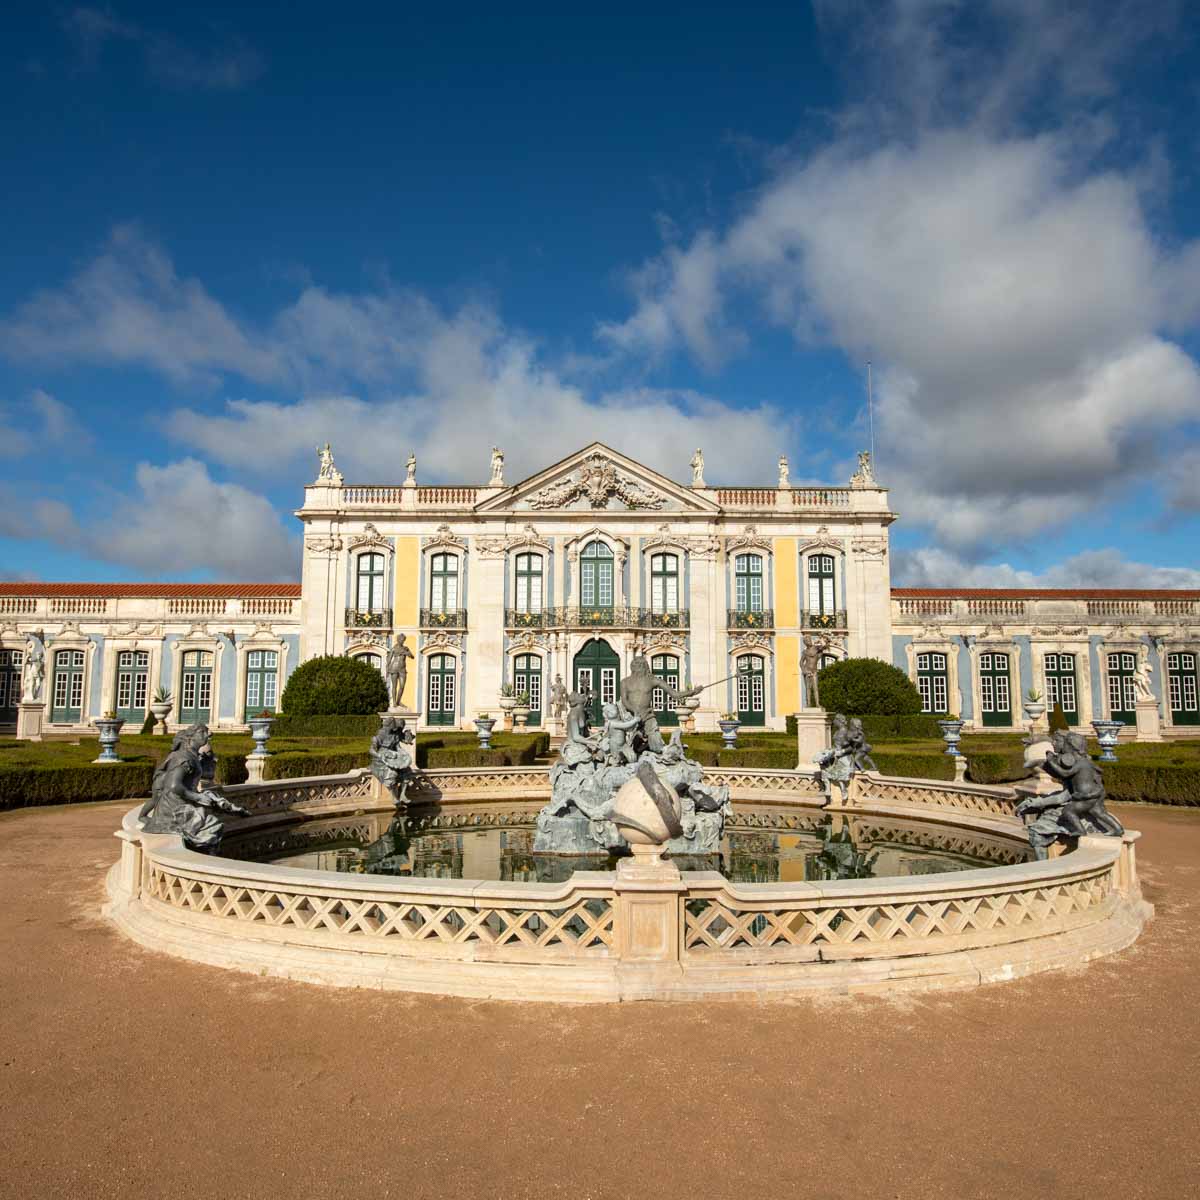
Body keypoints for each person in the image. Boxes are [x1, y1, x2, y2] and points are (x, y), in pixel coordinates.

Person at [138, 724, 249, 853]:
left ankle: (206, 853)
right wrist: (197, 796)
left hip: (181, 802)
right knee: (212, 824)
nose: (208, 735)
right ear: (190, 737)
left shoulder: (191, 755)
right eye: (203, 732)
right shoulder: (183, 758)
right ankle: (204, 858)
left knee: (213, 803)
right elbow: (174, 786)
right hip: (174, 808)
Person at [620, 655, 701, 754]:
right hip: (629, 718)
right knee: (627, 745)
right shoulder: (625, 682)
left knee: (657, 747)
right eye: (636, 665)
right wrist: (634, 710)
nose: (638, 667)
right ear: (632, 667)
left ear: (645, 666)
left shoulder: (652, 680)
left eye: (641, 665)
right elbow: (624, 700)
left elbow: (674, 694)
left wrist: (692, 692)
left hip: (647, 717)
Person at [598, 702, 639, 766]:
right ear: (607, 714)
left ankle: (623, 761)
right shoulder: (613, 723)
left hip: (623, 745)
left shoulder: (617, 721)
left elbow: (627, 728)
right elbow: (625, 725)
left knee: (633, 758)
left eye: (615, 709)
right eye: (611, 710)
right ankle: (613, 763)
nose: (615, 710)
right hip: (615, 745)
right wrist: (635, 721)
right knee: (616, 759)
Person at [386, 635, 414, 709]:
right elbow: (389, 659)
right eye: (401, 639)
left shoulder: (406, 648)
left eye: (403, 640)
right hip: (394, 667)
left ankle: (398, 701)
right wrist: (387, 670)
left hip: (402, 669)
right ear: (398, 640)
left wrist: (407, 653)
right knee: (394, 686)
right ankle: (394, 702)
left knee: (402, 686)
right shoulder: (394, 649)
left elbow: (412, 656)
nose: (402, 641)